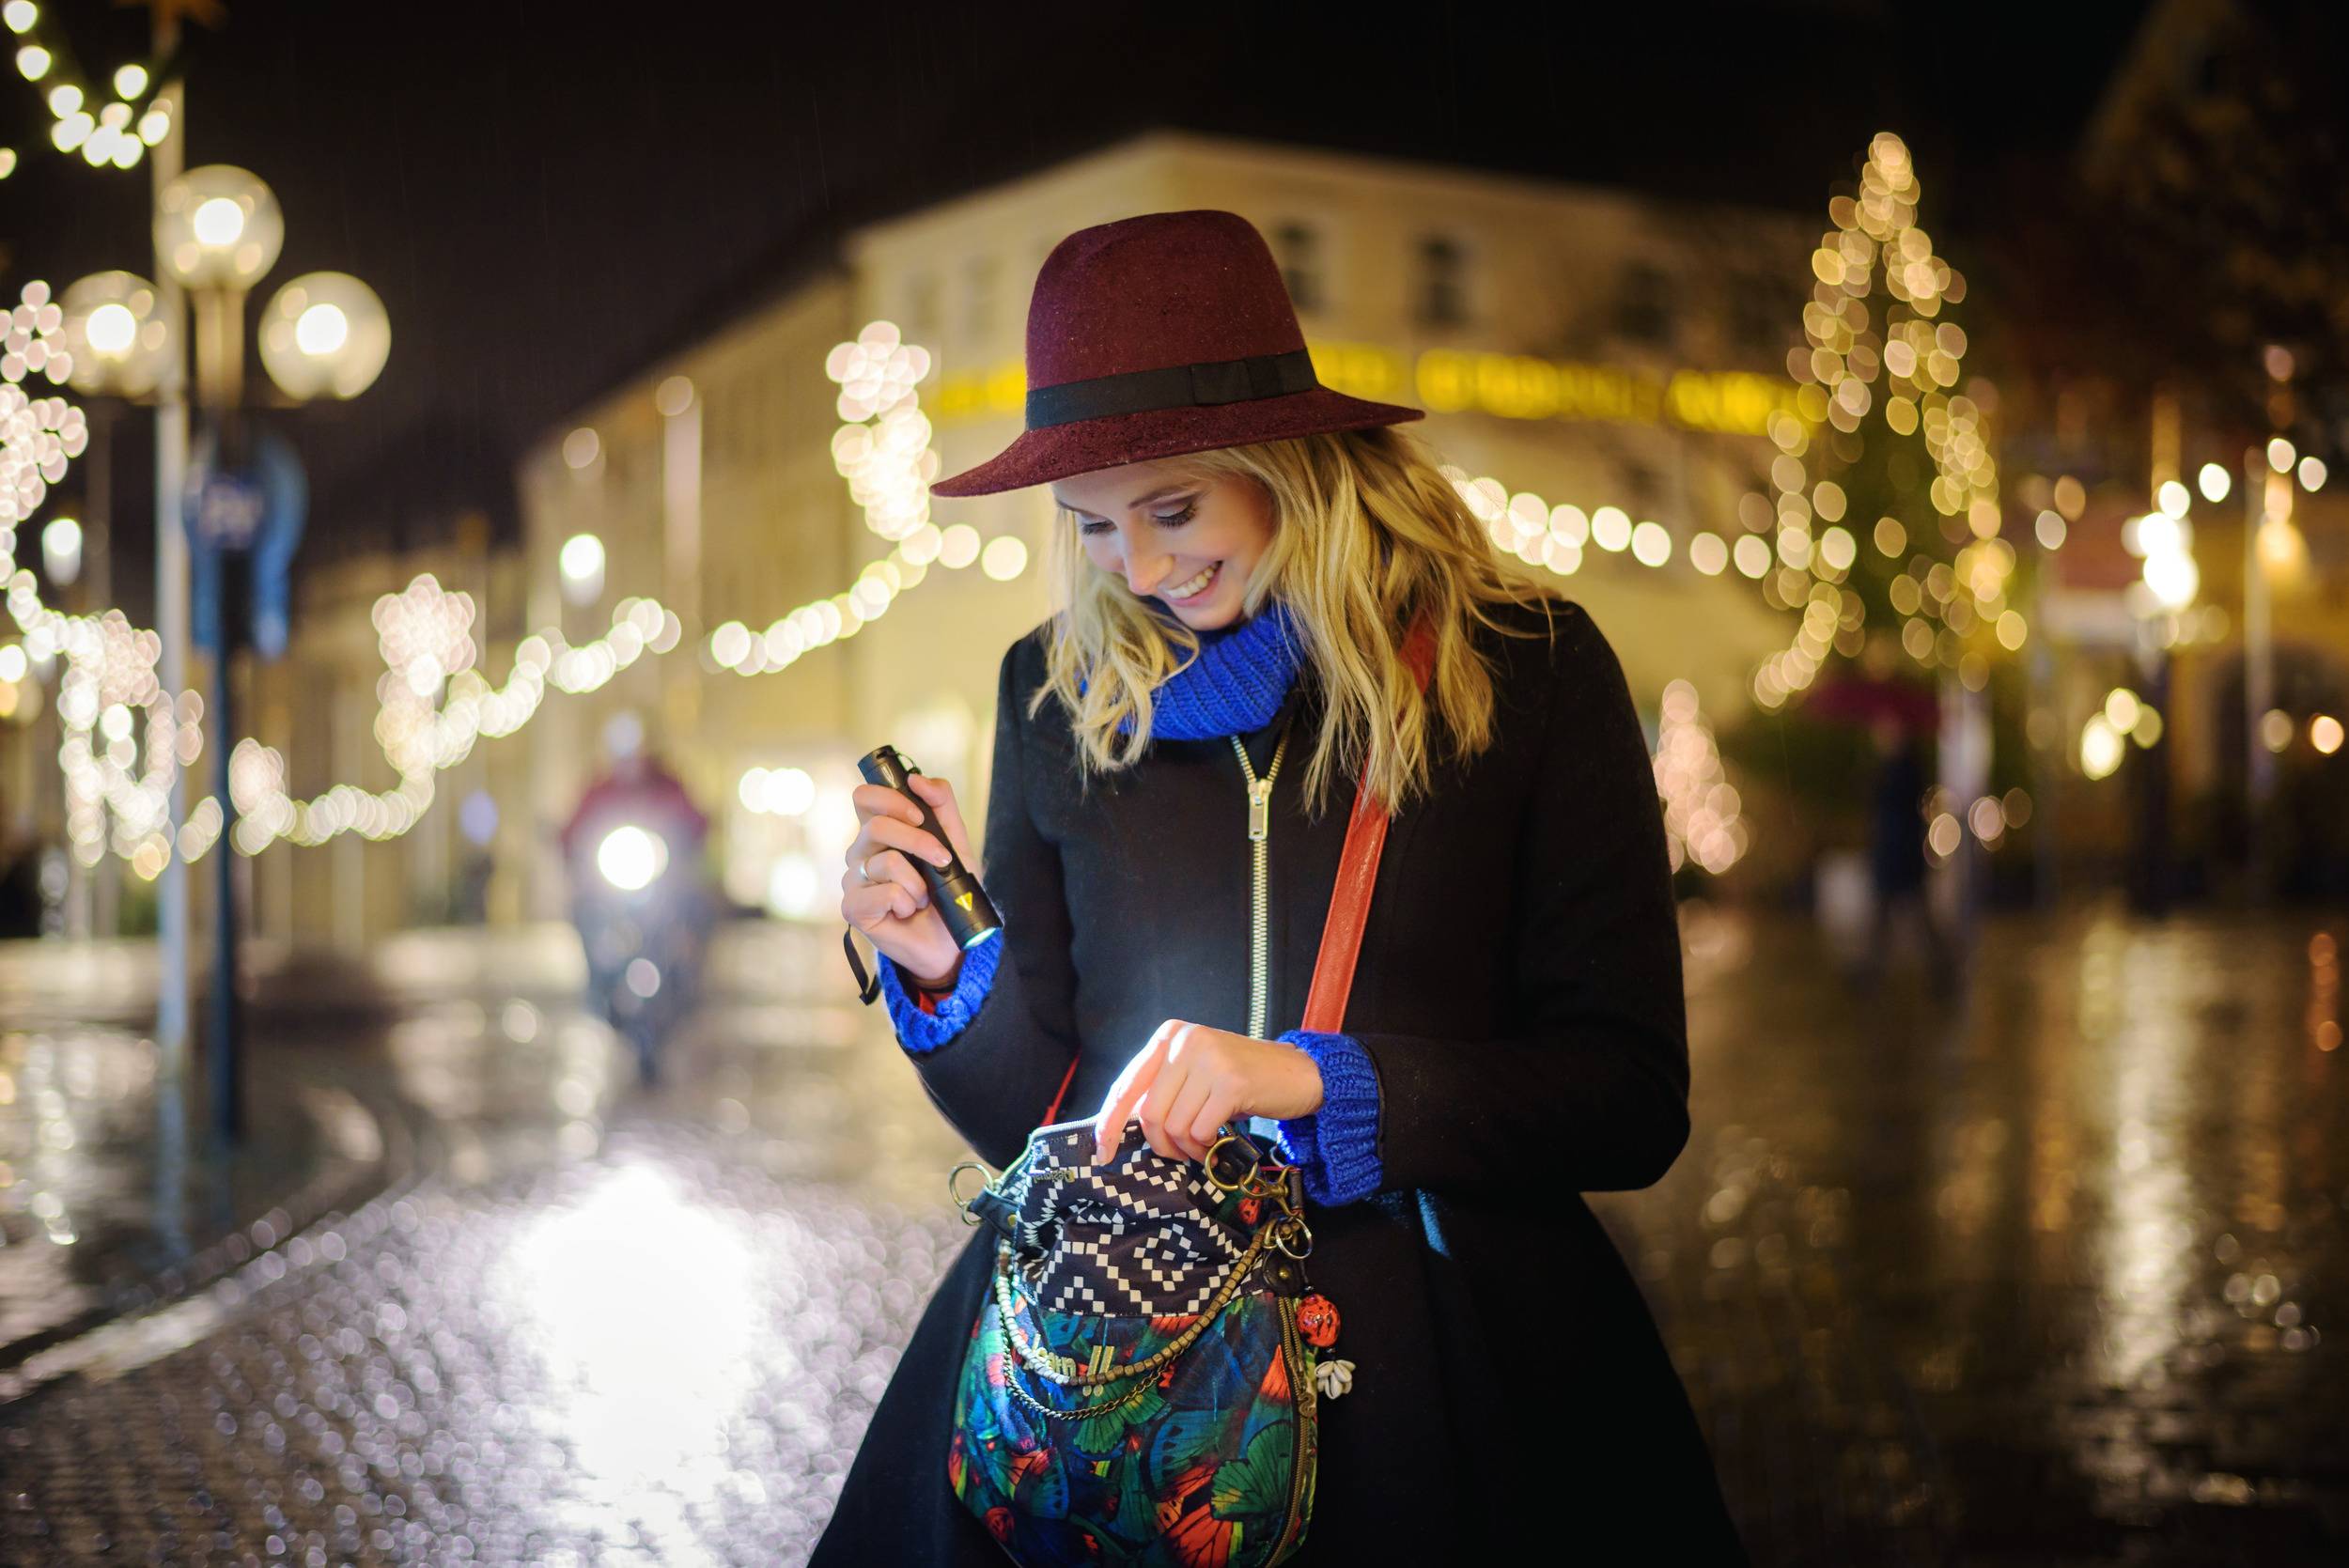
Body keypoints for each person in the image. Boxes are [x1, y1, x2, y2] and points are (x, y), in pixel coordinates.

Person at [818, 210, 1745, 1563]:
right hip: (1117, 1379)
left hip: (1455, 1380)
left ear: (1291, 461)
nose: (1136, 566)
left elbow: (1627, 1096)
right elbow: (1039, 1113)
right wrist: (945, 970)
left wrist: (1320, 1082)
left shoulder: (1529, 669)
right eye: (1092, 525)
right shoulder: (1053, 691)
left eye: (1174, 507)